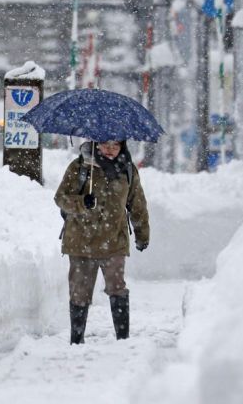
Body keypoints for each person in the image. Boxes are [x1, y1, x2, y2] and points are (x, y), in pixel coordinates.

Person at [54, 139, 150, 344]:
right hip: (81, 242)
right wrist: (81, 202)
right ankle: (76, 340)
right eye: (105, 145)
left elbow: (137, 204)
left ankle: (123, 339)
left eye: (115, 146)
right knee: (79, 292)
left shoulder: (128, 170)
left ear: (122, 147)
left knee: (117, 288)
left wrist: (142, 235)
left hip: (114, 241)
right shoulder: (79, 167)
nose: (110, 150)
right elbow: (60, 198)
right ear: (96, 145)